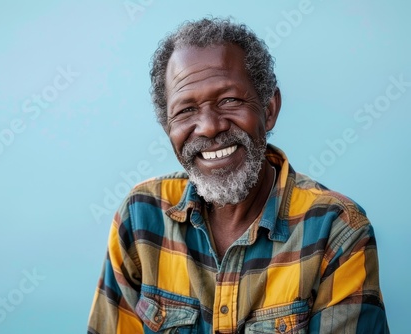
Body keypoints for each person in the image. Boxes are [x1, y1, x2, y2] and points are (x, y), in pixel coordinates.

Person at [88, 17, 389, 333]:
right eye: (185, 110)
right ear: (169, 129)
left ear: (269, 109)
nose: (209, 126)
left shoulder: (336, 229)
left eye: (229, 100)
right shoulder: (141, 216)